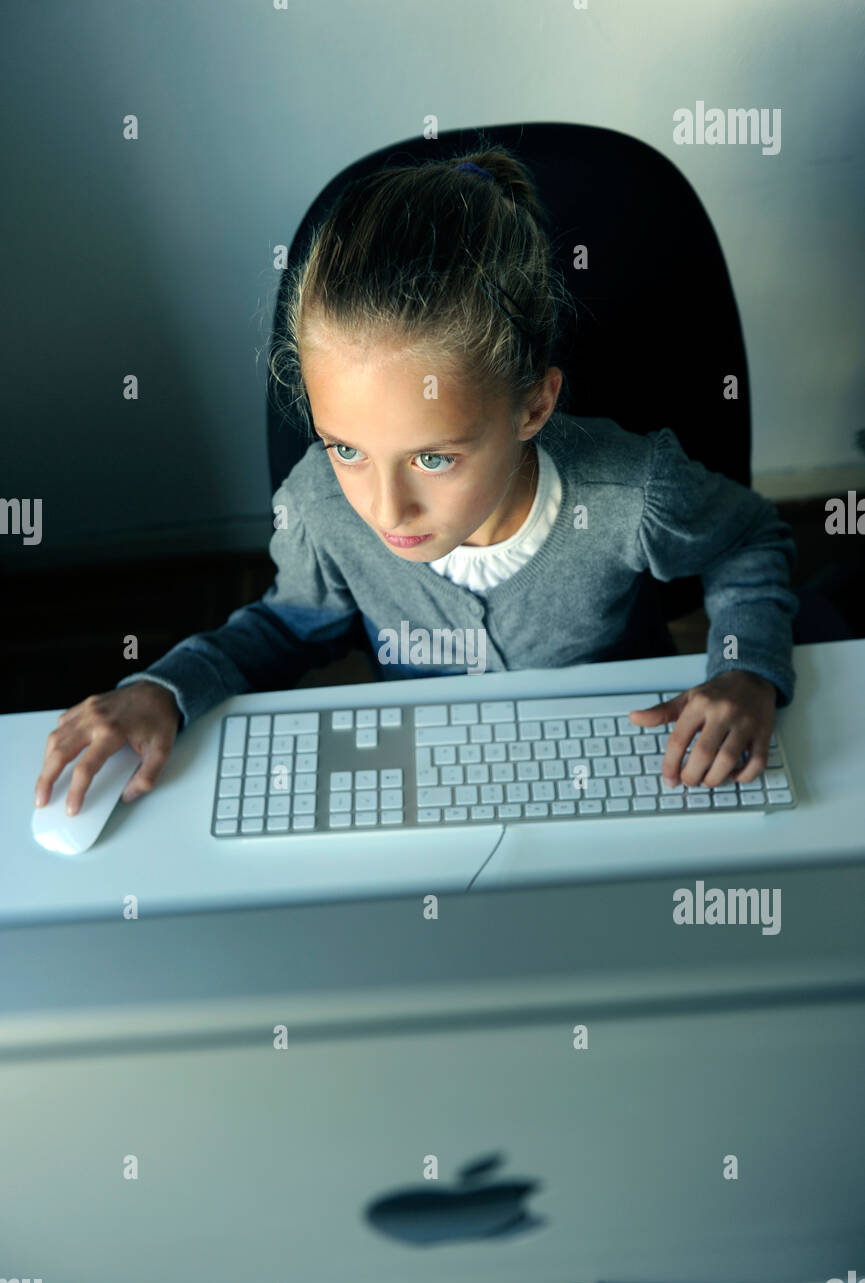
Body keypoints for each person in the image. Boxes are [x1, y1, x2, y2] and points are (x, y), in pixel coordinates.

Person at [34, 146, 798, 819]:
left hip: (624, 767)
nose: (382, 507)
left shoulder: (630, 493)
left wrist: (744, 665)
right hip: (432, 775)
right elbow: (282, 627)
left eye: (433, 458)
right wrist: (164, 688)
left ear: (534, 403)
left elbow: (750, 539)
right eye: (345, 447)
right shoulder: (320, 505)